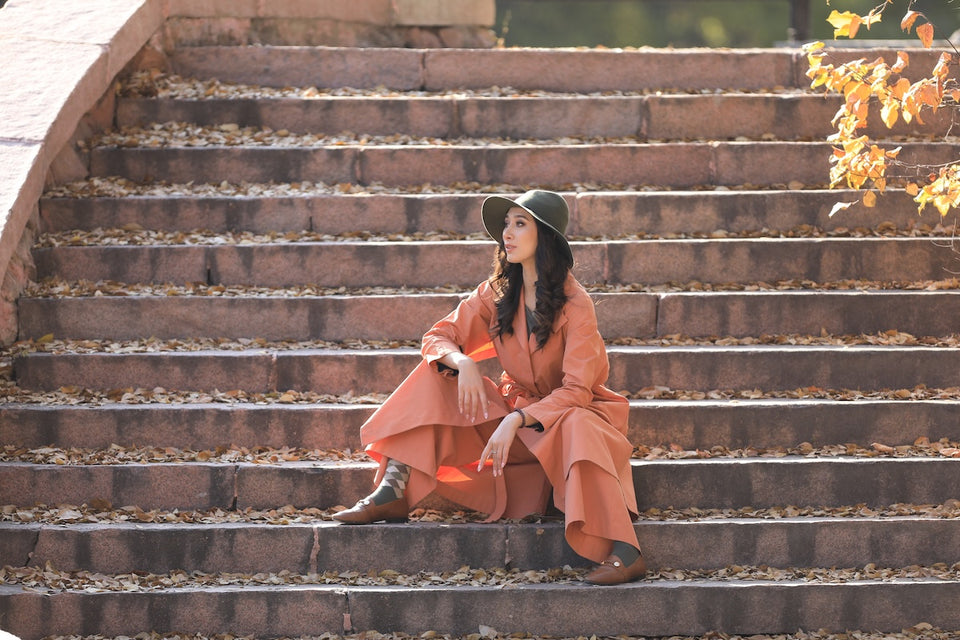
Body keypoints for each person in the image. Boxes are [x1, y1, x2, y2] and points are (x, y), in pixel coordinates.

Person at [333, 190, 645, 585]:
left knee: (579, 422)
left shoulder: (576, 304)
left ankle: (626, 550)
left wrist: (516, 419)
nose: (507, 234)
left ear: (545, 236)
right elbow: (438, 335)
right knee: (436, 374)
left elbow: (578, 392)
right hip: (514, 431)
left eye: (520, 224)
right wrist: (462, 361)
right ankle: (393, 488)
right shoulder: (495, 291)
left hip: (569, 427)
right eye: (506, 224)